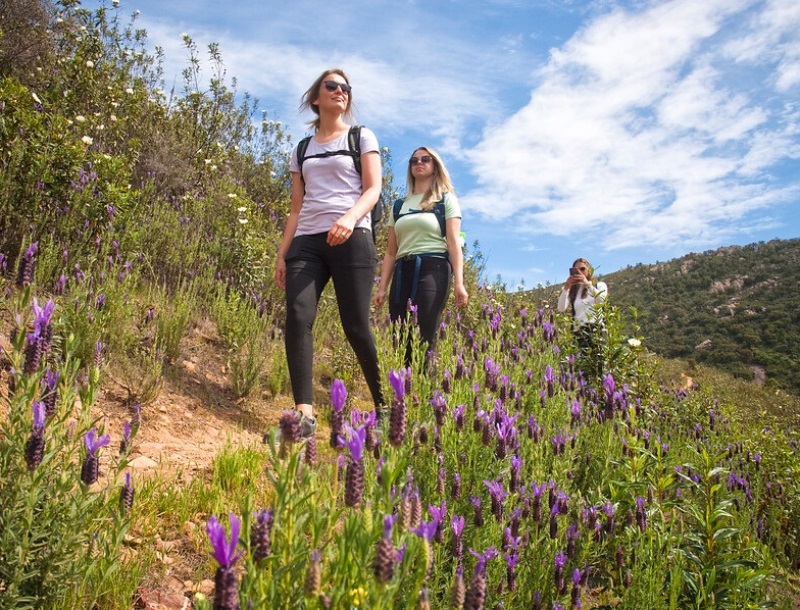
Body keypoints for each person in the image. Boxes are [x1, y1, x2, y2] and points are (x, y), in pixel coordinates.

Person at [275, 68, 384, 438]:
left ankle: (386, 407)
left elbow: (373, 188)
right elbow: (296, 208)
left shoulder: (361, 136)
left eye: (346, 88)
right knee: (297, 315)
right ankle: (304, 415)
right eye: (332, 86)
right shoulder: (302, 149)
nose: (341, 91)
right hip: (307, 239)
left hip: (352, 236)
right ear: (315, 98)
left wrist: (349, 219)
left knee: (356, 325)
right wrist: (282, 254)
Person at [374, 147, 468, 367]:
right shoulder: (399, 206)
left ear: (435, 166)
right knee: (400, 336)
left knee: (423, 334)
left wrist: (459, 283)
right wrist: (382, 288)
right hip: (402, 270)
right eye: (414, 160)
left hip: (433, 268)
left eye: (425, 159)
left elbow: (453, 243)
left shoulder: (445, 200)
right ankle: (404, 385)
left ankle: (423, 387)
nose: (419, 163)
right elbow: (390, 252)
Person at [557, 257, 608, 347]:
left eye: (583, 269)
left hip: (597, 330)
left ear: (589, 270)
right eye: (576, 270)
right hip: (579, 332)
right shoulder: (574, 291)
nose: (580, 272)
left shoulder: (599, 286)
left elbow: (601, 300)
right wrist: (566, 287)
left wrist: (587, 283)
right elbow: (561, 308)